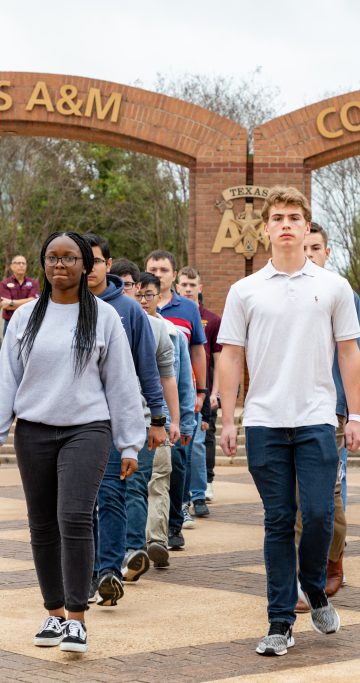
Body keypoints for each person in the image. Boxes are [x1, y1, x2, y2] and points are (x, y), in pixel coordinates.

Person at [0, 231, 145, 654]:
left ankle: (76, 618)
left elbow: (122, 383)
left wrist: (129, 443)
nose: (60, 265)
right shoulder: (25, 317)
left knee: (73, 516)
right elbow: (7, 383)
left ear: (85, 266)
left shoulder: (105, 318)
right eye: (52, 257)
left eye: (70, 258)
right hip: (34, 431)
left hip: (87, 429)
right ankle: (52, 613)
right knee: (42, 524)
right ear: (43, 264)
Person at [219, 186, 360, 657]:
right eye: (277, 217)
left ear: (307, 228)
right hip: (264, 421)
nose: (285, 224)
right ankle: (280, 621)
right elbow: (230, 356)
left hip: (317, 419)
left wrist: (356, 415)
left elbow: (349, 352)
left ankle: (315, 587)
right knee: (279, 520)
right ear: (266, 229)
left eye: (293, 218)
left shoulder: (333, 286)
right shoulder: (245, 290)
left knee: (321, 515)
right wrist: (228, 418)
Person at [83, 234, 168, 608]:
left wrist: (158, 417)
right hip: (74, 420)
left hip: (117, 418)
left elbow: (148, 369)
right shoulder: (61, 305)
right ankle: (85, 573)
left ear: (108, 263)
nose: (88, 268)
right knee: (79, 503)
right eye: (81, 261)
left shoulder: (129, 311)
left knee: (113, 496)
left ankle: (108, 573)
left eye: (95, 261)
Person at [293, 222, 360, 609]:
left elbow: (355, 355)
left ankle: (332, 560)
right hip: (289, 409)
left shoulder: (341, 292)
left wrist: (359, 413)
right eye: (304, 247)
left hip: (332, 411)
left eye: (316, 247)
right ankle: (300, 570)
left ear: (328, 251)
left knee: (328, 496)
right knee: (292, 498)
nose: (309, 254)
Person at [126, 271, 196, 570]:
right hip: (131, 419)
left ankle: (156, 539)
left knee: (159, 480)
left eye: (148, 295)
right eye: (137, 293)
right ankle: (138, 541)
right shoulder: (120, 326)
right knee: (137, 483)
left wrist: (179, 420)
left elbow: (179, 382)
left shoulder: (170, 333)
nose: (143, 300)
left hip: (160, 420)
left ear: (160, 297)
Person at [176, 266, 221, 516]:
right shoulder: (164, 310)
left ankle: (199, 494)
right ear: (177, 285)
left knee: (197, 443)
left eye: (193, 285)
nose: (189, 289)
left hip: (198, 389)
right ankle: (180, 500)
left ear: (200, 287)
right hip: (175, 386)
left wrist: (213, 392)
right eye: (184, 284)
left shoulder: (211, 319)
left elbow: (217, 359)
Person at [145, 251, 207, 413]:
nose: (158, 274)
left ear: (174, 275)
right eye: (153, 270)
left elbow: (197, 351)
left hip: (180, 391)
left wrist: (201, 392)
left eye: (164, 270)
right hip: (145, 395)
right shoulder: (137, 305)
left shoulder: (189, 307)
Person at [0, 255, 40, 334]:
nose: (21, 265)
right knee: (9, 346)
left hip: (29, 322)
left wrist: (11, 302)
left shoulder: (34, 283)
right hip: (10, 322)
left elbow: (34, 303)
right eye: (18, 263)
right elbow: (5, 305)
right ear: (12, 266)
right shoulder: (4, 283)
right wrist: (28, 301)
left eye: (23, 263)